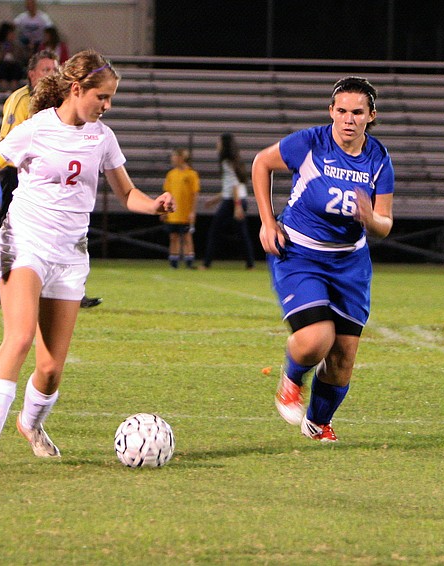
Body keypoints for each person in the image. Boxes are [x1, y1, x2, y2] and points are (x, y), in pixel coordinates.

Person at [0, 50, 175, 469]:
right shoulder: (35, 128)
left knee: (51, 368)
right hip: (25, 241)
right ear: (76, 89)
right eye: (102, 97)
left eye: (110, 98)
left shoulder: (102, 137)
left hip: (70, 254)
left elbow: (127, 193)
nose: (107, 105)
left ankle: (31, 424)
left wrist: (154, 205)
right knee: (19, 337)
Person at [251, 76, 394, 442]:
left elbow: (385, 224)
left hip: (349, 263)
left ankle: (317, 422)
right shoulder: (310, 143)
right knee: (317, 339)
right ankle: (291, 379)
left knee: (343, 359)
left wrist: (370, 218)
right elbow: (261, 163)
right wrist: (267, 222)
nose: (348, 119)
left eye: (357, 112)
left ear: (371, 116)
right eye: (342, 110)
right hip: (299, 253)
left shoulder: (378, 159)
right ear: (331, 111)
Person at [0, 49, 102, 309]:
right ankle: (2, 291)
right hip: (20, 172)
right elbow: (8, 144)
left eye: (55, 69)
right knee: (12, 233)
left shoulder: (65, 100)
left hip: (54, 171)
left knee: (66, 230)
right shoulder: (20, 99)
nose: (52, 74)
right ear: (32, 74)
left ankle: (70, 290)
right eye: (46, 70)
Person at [199, 132, 255, 270]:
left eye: (219, 142)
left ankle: (206, 263)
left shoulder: (226, 162)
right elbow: (231, 187)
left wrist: (237, 206)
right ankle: (250, 264)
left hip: (233, 201)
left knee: (215, 231)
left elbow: (234, 186)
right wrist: (214, 200)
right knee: (242, 234)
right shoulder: (236, 161)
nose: (217, 144)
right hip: (238, 199)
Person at [162, 147, 200, 268]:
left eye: (174, 156)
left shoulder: (191, 174)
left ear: (181, 158)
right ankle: (173, 261)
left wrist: (192, 211)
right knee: (173, 237)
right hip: (173, 213)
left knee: (187, 236)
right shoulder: (171, 174)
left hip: (185, 212)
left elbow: (195, 194)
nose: (172, 159)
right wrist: (164, 211)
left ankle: (189, 261)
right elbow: (167, 193)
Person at [0, 22, 29, 92]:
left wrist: (13, 50)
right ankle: (4, 88)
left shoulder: (17, 45)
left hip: (14, 65)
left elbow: (21, 58)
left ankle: (14, 88)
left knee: (16, 69)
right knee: (1, 68)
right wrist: (3, 51)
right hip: (2, 65)